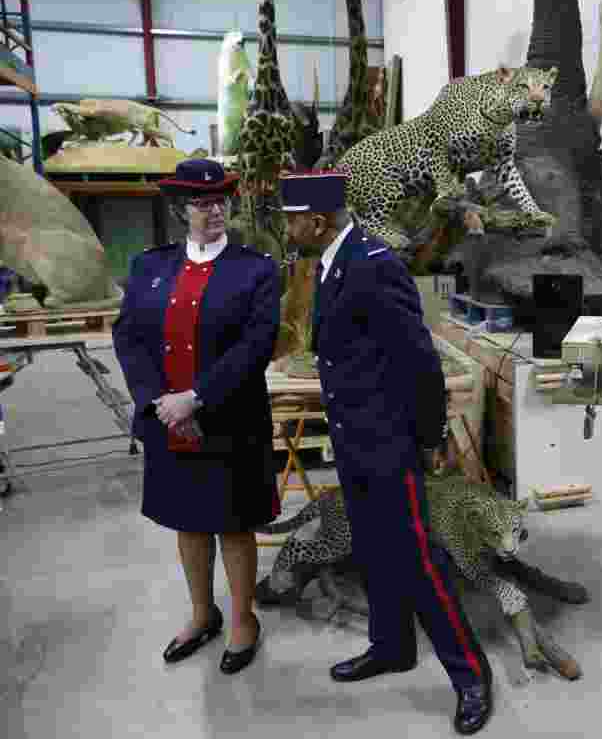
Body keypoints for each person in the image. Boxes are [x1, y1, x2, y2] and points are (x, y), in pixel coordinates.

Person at [280, 169, 494, 736]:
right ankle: (391, 646)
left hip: (387, 442)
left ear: (318, 221)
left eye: (292, 218)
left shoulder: (374, 267)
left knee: (419, 559)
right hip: (354, 439)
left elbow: (419, 361)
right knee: (373, 548)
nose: (288, 227)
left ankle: (471, 675)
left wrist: (428, 439)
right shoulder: (332, 262)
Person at [112, 158, 281, 675]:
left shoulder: (255, 269)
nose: (214, 210)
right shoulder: (149, 266)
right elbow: (130, 337)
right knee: (187, 522)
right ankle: (202, 614)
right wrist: (158, 402)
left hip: (230, 420)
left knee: (233, 525)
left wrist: (197, 398)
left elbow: (256, 346)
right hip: (168, 422)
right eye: (202, 202)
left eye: (220, 200)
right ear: (181, 208)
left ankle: (242, 621)